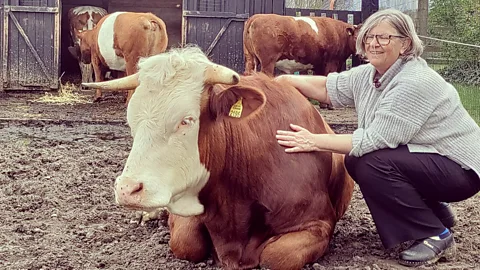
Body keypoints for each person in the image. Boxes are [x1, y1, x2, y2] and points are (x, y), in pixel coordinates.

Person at [274, 8, 480, 267]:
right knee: (359, 160)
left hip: (461, 170)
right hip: (431, 159)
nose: (373, 43)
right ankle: (436, 214)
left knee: (371, 163)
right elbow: (328, 87)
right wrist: (284, 82)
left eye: (384, 38)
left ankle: (434, 234)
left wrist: (312, 140)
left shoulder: (414, 82)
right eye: (369, 36)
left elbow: (371, 140)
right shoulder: (372, 74)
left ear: (405, 44)